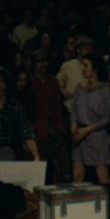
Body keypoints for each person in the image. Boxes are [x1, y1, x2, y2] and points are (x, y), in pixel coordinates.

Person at [29, 50, 72, 184]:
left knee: (64, 167)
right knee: (42, 170)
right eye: (39, 61)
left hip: (55, 126)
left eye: (45, 61)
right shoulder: (29, 81)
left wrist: (61, 128)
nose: (43, 64)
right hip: (38, 127)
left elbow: (57, 106)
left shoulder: (53, 80)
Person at [70, 53, 110, 185]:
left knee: (102, 177)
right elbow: (74, 108)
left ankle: (109, 202)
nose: (82, 68)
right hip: (79, 135)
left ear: (95, 69)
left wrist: (88, 129)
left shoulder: (105, 91)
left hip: (95, 135)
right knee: (77, 175)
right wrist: (73, 124)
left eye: (85, 65)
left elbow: (106, 118)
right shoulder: (80, 87)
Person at [57, 36, 95, 113]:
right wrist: (63, 90)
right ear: (78, 50)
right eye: (86, 48)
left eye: (90, 48)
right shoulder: (68, 65)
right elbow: (55, 81)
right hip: (72, 111)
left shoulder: (95, 66)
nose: (89, 51)